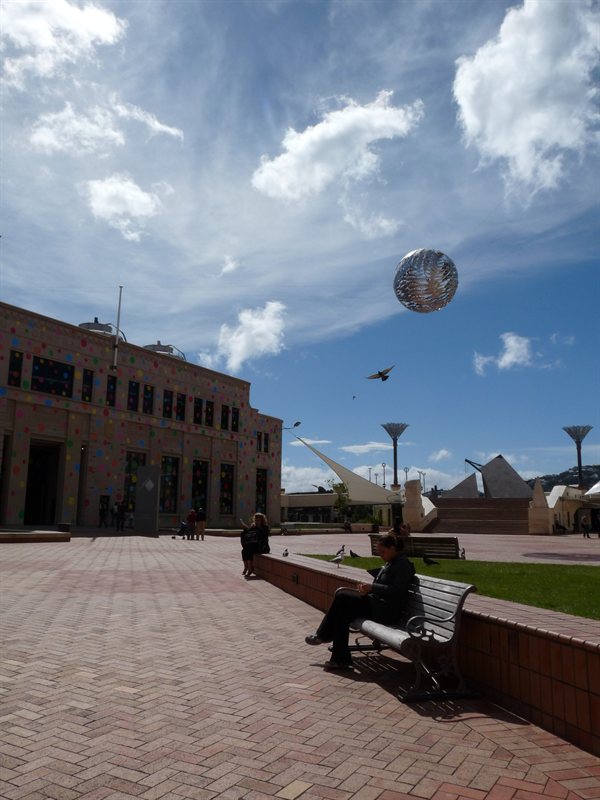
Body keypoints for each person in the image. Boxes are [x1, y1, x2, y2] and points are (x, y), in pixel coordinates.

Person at [305, 533, 415, 670]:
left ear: (392, 548)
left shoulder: (403, 565)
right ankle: (339, 659)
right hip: (378, 605)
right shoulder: (393, 562)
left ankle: (324, 635)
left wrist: (372, 588)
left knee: (342, 597)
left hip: (387, 611)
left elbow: (397, 591)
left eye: (383, 552)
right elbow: (385, 588)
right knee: (342, 612)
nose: (381, 555)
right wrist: (368, 591)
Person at [240, 512, 270, 577]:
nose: (257, 521)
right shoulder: (253, 526)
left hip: (262, 546)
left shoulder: (265, 527)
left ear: (262, 520)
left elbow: (263, 536)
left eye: (259, 519)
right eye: (256, 519)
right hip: (254, 545)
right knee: (244, 550)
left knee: (249, 549)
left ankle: (250, 568)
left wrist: (258, 528)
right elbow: (248, 533)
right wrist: (245, 528)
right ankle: (246, 567)